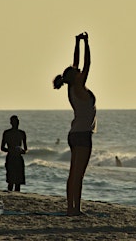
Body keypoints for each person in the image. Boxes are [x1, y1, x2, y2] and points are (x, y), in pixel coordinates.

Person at [53, 32, 96, 216]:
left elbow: (76, 63)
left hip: (74, 134)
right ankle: (75, 209)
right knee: (78, 175)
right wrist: (86, 43)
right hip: (83, 134)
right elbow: (87, 64)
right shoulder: (78, 86)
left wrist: (77, 42)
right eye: (77, 72)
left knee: (73, 174)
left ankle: (71, 208)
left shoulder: (71, 86)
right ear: (75, 77)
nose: (80, 71)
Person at [1, 115, 28, 192]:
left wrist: (21, 150)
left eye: (17, 121)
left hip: (18, 158)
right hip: (11, 158)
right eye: (14, 122)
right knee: (10, 181)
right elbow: (2, 148)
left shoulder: (22, 133)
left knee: (18, 182)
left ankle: (16, 195)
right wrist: (10, 150)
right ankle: (10, 195)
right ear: (11, 123)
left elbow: (25, 149)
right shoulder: (7, 133)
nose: (16, 123)